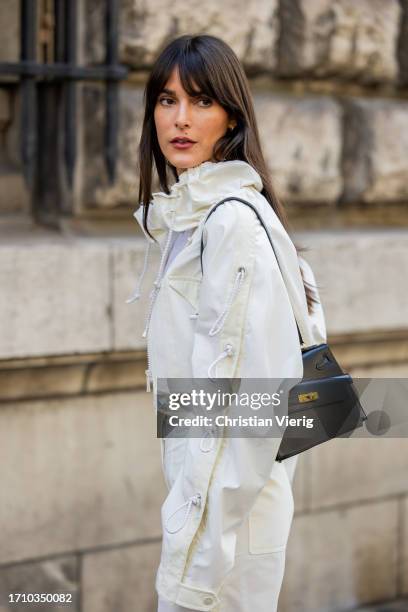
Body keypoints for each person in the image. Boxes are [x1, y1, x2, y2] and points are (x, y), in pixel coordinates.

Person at [126, 34, 327, 612]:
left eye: (201, 101)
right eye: (166, 101)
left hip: (226, 530)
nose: (180, 119)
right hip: (219, 511)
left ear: (232, 116)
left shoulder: (231, 225)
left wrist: (191, 567)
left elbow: (247, 406)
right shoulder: (201, 218)